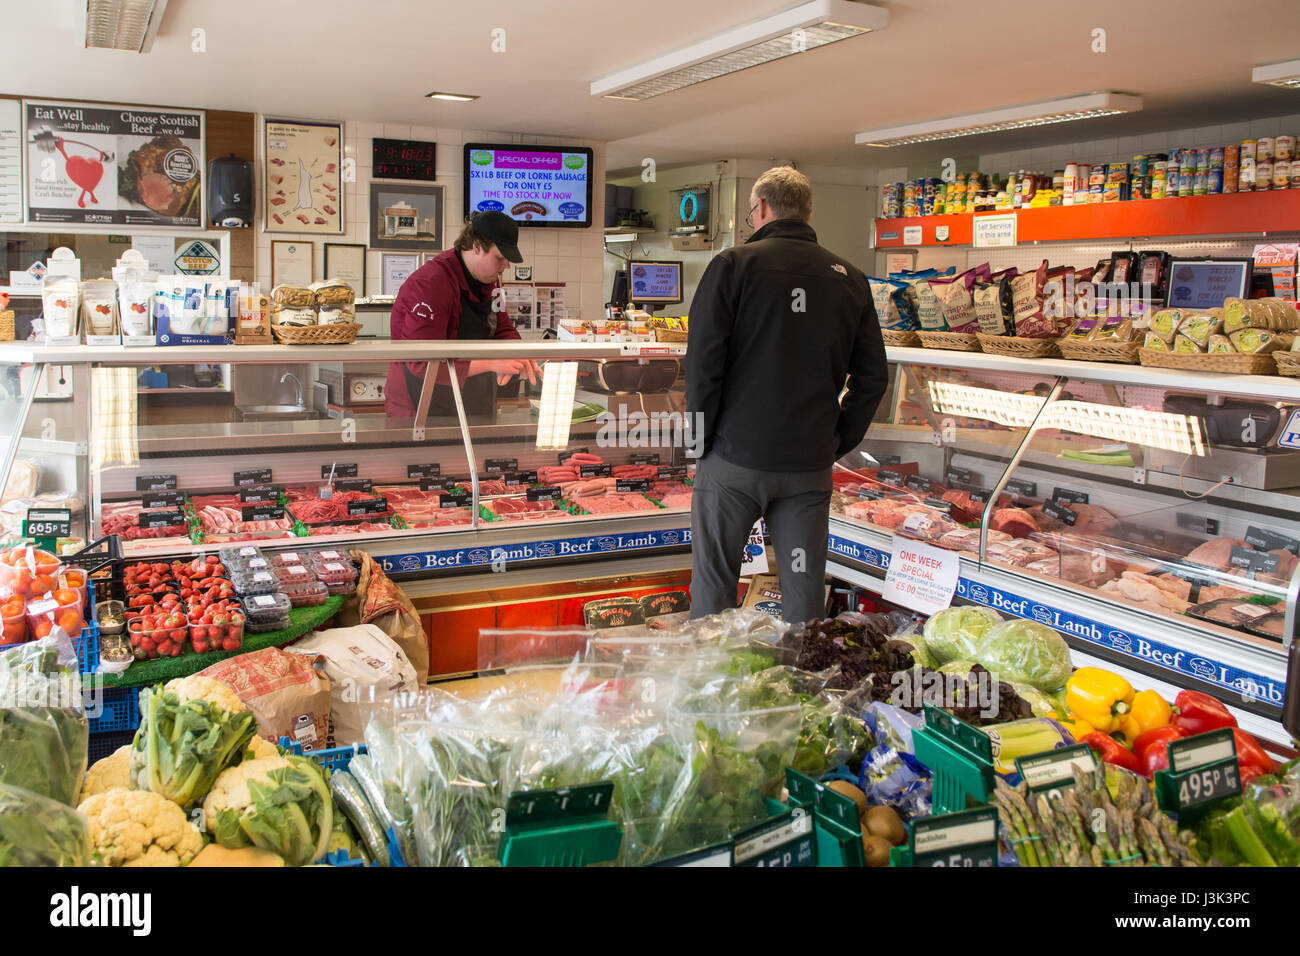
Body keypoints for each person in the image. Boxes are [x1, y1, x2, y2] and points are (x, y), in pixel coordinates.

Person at [685, 166, 889, 623]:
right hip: (808, 466)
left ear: (759, 208)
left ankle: (710, 685)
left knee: (716, 582)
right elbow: (873, 376)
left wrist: (700, 441)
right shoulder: (850, 277)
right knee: (803, 587)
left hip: (734, 460)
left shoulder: (733, 265)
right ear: (808, 212)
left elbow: (702, 364)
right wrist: (836, 440)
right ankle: (801, 683)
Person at [385, 210, 540, 419]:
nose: (506, 266)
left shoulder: (490, 280)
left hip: (472, 402)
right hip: (421, 406)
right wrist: (494, 363)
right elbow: (421, 362)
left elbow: (501, 327)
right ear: (476, 247)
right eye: (500, 258)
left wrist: (517, 353)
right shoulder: (430, 284)